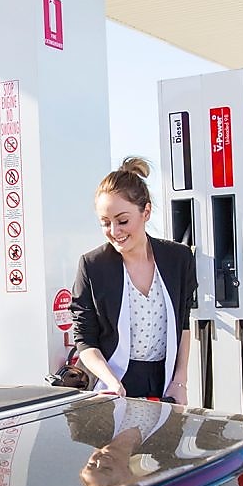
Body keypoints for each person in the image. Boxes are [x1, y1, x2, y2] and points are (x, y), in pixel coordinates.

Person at [70, 157, 197, 403]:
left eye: (123, 221)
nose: (115, 231)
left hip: (165, 383)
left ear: (146, 212)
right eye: (105, 223)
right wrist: (110, 381)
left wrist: (180, 381)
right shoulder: (92, 266)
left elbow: (183, 323)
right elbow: (85, 340)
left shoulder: (178, 258)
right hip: (113, 385)